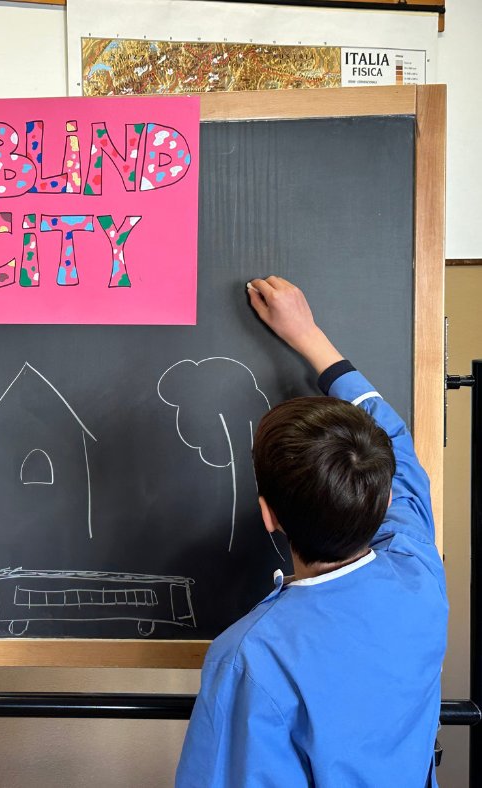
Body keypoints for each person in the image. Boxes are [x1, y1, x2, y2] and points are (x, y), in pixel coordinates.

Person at [175, 276, 448, 787]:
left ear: (267, 514)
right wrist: (311, 337)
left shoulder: (251, 657)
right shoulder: (417, 572)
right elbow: (397, 451)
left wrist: (306, 336)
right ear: (385, 498)